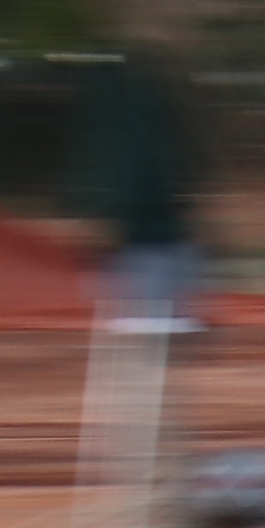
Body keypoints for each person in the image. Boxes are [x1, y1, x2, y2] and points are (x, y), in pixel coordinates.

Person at [69, 48, 206, 332]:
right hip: (150, 233)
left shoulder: (120, 125)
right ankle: (157, 316)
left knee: (151, 290)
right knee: (156, 293)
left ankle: (154, 315)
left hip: (145, 232)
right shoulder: (144, 122)